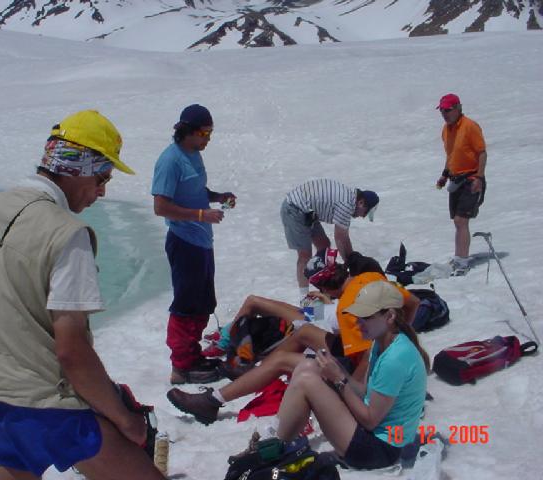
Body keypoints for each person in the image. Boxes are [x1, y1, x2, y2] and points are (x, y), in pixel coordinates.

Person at [0, 110, 165, 480]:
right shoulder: (68, 233)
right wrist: (125, 419)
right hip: (51, 408)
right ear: (77, 168)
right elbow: (71, 351)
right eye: (101, 177)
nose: (102, 191)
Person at [166, 251, 419, 426]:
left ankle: (214, 400)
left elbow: (364, 358)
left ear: (324, 287)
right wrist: (401, 337)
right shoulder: (372, 278)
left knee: (282, 357)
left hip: (354, 363)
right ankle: (250, 368)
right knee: (304, 332)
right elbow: (414, 303)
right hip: (344, 334)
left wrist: (352, 384)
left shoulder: (347, 311)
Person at [276, 280, 429, 470]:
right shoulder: (381, 343)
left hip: (381, 450)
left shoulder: (395, 358)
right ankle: (278, 443)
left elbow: (370, 420)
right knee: (308, 366)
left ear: (390, 316)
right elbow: (364, 392)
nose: (358, 322)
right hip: (374, 435)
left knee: (307, 381)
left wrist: (339, 380)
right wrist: (337, 371)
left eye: (365, 317)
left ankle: (274, 449)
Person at [151, 104, 236, 385]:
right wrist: (201, 215)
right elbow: (161, 207)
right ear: (187, 131)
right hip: (184, 241)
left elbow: (195, 191)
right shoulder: (170, 161)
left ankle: (192, 356)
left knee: (203, 302)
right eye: (204, 133)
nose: (208, 139)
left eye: (210, 133)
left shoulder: (194, 155)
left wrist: (217, 196)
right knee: (186, 305)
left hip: (202, 240)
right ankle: (181, 367)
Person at [280, 179, 379, 298]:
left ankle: (326, 288)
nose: (362, 217)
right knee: (305, 255)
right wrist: (351, 263)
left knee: (324, 246)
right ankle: (304, 298)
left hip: (308, 212)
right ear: (361, 203)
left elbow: (342, 239)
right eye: (365, 213)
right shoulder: (346, 204)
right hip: (294, 209)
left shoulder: (350, 199)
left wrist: (351, 261)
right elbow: (341, 238)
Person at [435, 93, 487, 276]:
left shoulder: (470, 126)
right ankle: (459, 258)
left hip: (471, 178)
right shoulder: (446, 130)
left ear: (458, 108)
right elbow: (451, 155)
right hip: (455, 179)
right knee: (457, 222)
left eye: (448, 110)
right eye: (442, 111)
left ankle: (463, 262)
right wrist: (444, 175)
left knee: (461, 220)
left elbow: (482, 153)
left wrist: (479, 178)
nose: (445, 114)